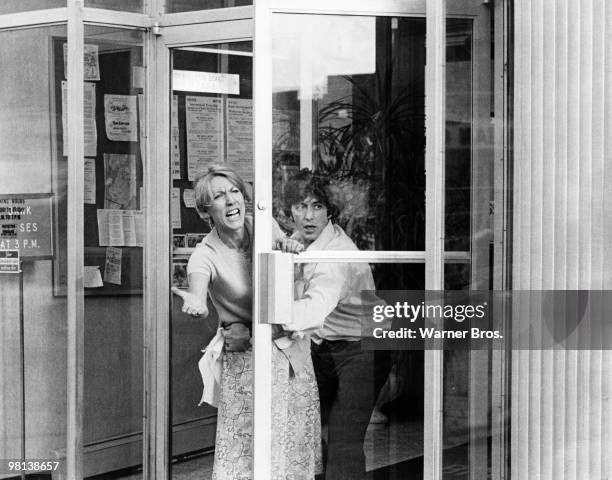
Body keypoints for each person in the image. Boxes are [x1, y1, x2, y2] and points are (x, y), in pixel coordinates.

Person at [172, 164, 321, 480]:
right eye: (218, 197)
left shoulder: (265, 226)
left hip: (288, 352)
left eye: (234, 192)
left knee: (292, 444)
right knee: (246, 449)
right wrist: (197, 302)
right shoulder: (204, 254)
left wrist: (289, 248)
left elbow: (288, 271)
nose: (230, 202)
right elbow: (197, 290)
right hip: (248, 359)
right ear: (205, 210)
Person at [279, 170, 387, 480]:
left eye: (318, 206)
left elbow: (314, 309)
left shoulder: (335, 255)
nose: (309, 216)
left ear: (330, 211)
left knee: (344, 441)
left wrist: (266, 317)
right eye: (301, 206)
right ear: (291, 211)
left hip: (365, 347)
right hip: (325, 345)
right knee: (301, 426)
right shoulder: (301, 240)